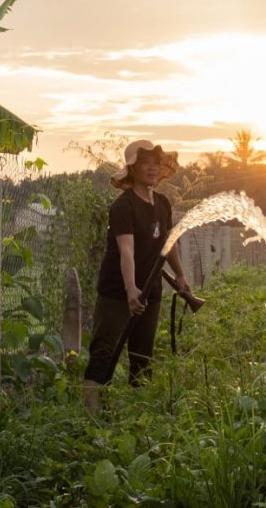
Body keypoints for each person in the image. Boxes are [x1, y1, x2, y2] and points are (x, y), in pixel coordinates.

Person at [83, 139, 192, 412]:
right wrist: (131, 289)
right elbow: (126, 252)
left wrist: (180, 275)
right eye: (145, 163)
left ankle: (137, 416)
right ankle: (92, 417)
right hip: (118, 292)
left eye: (156, 163)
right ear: (133, 169)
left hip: (150, 291)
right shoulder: (124, 206)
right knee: (104, 353)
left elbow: (170, 243)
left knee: (142, 356)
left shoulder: (163, 204)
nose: (152, 169)